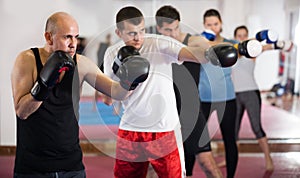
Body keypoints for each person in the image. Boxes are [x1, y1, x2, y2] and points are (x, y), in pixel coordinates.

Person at [102, 6, 238, 178]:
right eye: (131, 33)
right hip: (130, 129)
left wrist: (211, 55)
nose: (138, 38)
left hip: (165, 130)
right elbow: (108, 99)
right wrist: (122, 76)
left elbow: (189, 53)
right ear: (118, 32)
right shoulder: (111, 53)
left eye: (141, 31)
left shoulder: (159, 43)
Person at [11, 11, 148, 178]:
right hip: (33, 167)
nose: (73, 44)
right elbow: (22, 112)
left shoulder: (81, 64)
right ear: (49, 37)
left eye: (76, 37)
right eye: (67, 37)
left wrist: (130, 81)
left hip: (71, 165)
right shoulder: (27, 60)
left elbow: (116, 92)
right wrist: (44, 85)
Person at [155, 5, 223, 178]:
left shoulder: (192, 41)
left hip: (190, 111)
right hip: (163, 114)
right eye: (168, 30)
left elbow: (207, 48)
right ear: (158, 28)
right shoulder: (154, 45)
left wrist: (216, 51)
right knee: (155, 168)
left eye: (176, 28)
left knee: (208, 163)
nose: (174, 33)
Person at [198, 9, 240, 178]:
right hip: (204, 98)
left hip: (227, 98)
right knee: (195, 139)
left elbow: (249, 49)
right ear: (204, 25)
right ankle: (188, 174)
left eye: (215, 24)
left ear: (221, 24)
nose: (213, 27)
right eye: (209, 24)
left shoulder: (231, 44)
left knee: (230, 140)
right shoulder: (198, 45)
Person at [232, 25, 275, 171]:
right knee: (233, 131)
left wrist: (280, 44)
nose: (242, 38)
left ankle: (268, 158)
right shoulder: (232, 51)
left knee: (257, 128)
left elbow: (268, 47)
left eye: (245, 35)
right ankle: (231, 159)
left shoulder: (253, 51)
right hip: (234, 95)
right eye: (239, 35)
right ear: (235, 37)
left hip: (251, 93)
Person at [93, 33, 113, 111]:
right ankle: (94, 105)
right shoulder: (102, 45)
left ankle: (115, 109)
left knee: (111, 88)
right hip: (100, 68)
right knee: (97, 88)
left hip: (106, 68)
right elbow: (98, 54)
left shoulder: (110, 47)